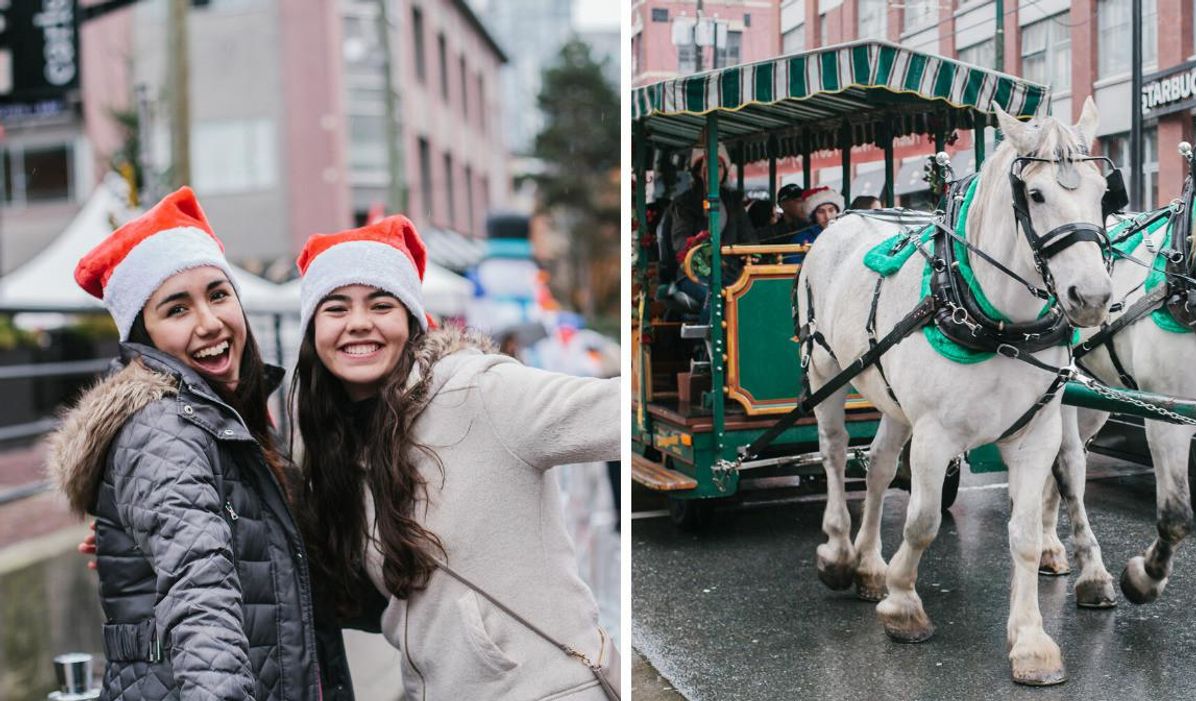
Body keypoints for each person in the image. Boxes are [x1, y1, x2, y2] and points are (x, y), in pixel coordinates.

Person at [291, 215, 621, 700]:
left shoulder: (478, 390)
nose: (358, 322)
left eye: (381, 304)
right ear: (314, 330)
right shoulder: (336, 446)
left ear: (410, 320)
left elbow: (617, 410)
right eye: (336, 308)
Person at [47, 188, 357, 700]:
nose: (209, 322)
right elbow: (201, 600)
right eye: (176, 309)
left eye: (218, 295)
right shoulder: (165, 429)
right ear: (143, 337)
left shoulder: (229, 418)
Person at [668, 145, 757, 318]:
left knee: (750, 295)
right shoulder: (684, 203)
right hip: (694, 274)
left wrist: (746, 253)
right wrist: (706, 255)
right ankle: (708, 342)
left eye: (719, 166)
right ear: (698, 171)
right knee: (714, 295)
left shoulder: (733, 201)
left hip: (732, 272)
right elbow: (680, 243)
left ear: (725, 170)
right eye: (707, 167)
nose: (714, 172)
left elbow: (750, 238)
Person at [789, 186, 844, 263]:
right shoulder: (800, 238)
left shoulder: (846, 233)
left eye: (831, 210)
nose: (827, 217)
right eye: (821, 212)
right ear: (813, 216)